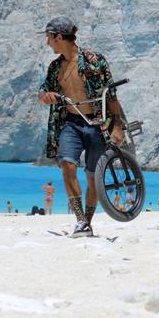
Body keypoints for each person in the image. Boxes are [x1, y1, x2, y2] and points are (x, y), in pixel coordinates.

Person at [38, 17, 125, 238]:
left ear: (59, 37)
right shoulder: (55, 67)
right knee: (67, 165)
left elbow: (111, 95)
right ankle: (80, 220)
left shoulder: (95, 60)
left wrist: (117, 126)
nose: (48, 43)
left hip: (98, 123)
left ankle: (87, 220)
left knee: (92, 176)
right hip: (71, 122)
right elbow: (43, 92)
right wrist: (45, 97)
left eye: (49, 38)